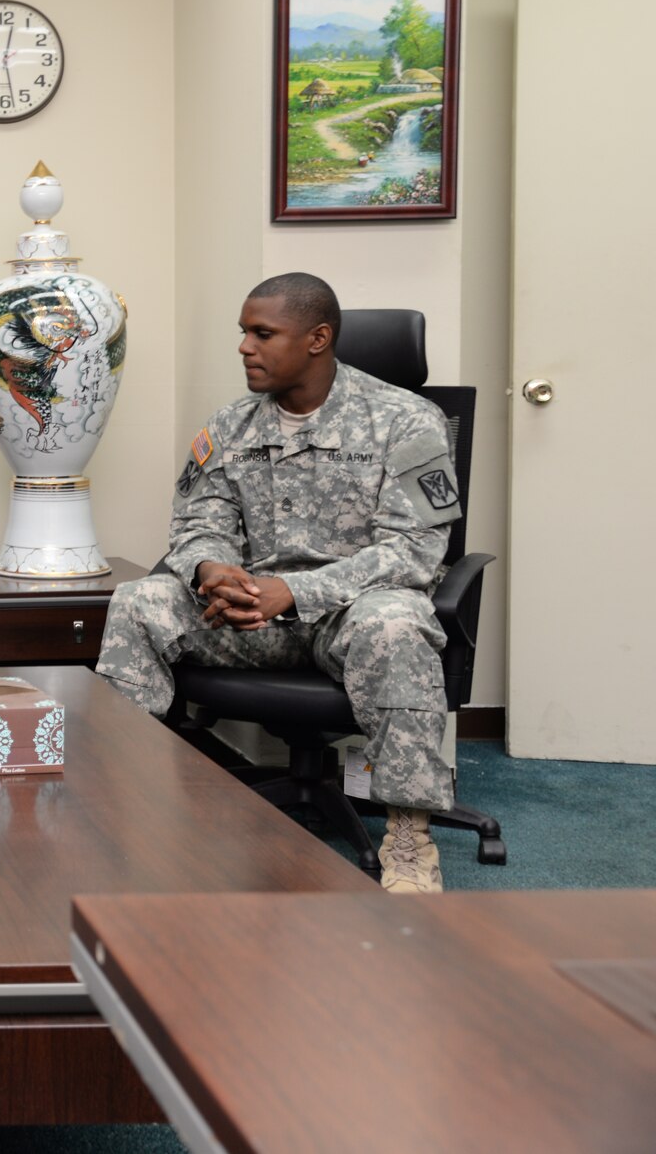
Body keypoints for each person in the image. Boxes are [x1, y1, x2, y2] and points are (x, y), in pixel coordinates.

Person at [95, 273, 462, 894]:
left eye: (262, 333)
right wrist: (214, 572)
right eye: (243, 332)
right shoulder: (229, 427)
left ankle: (407, 837)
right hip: (250, 618)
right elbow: (197, 525)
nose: (244, 346)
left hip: (350, 617)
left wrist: (297, 593)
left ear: (318, 338)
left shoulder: (406, 420)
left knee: (398, 619)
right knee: (138, 601)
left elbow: (415, 550)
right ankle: (133, 808)